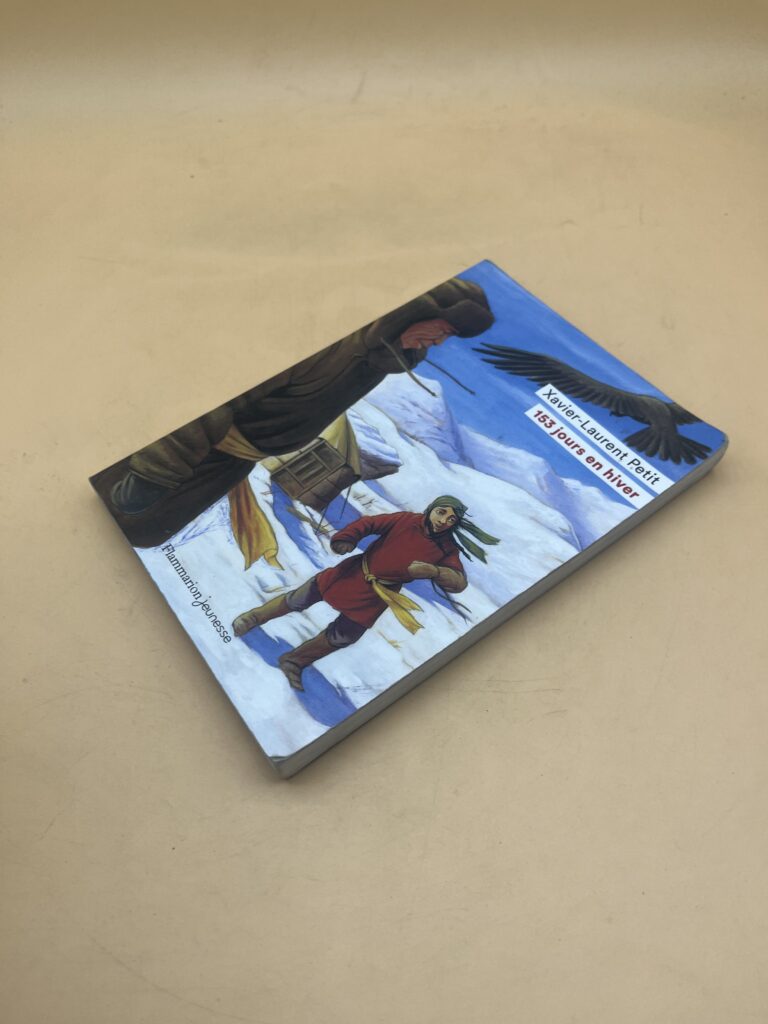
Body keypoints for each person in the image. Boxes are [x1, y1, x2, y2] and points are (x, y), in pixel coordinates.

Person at [91, 278, 494, 553]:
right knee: (108, 515)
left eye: (447, 337)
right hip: (194, 450)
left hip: (234, 461)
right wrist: (157, 470)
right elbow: (225, 395)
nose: (438, 342)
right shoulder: (334, 341)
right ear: (414, 313)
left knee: (141, 534)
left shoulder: (376, 361)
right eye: (441, 330)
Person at [232, 496, 500, 691]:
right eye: (441, 513)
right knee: (300, 598)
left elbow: (459, 581)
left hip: (379, 594)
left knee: (344, 635)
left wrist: (435, 571)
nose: (443, 521)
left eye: (451, 519)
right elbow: (371, 523)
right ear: (432, 509)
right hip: (354, 573)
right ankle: (252, 618)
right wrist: (346, 538)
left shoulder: (446, 548)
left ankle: (293, 661)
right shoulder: (406, 521)